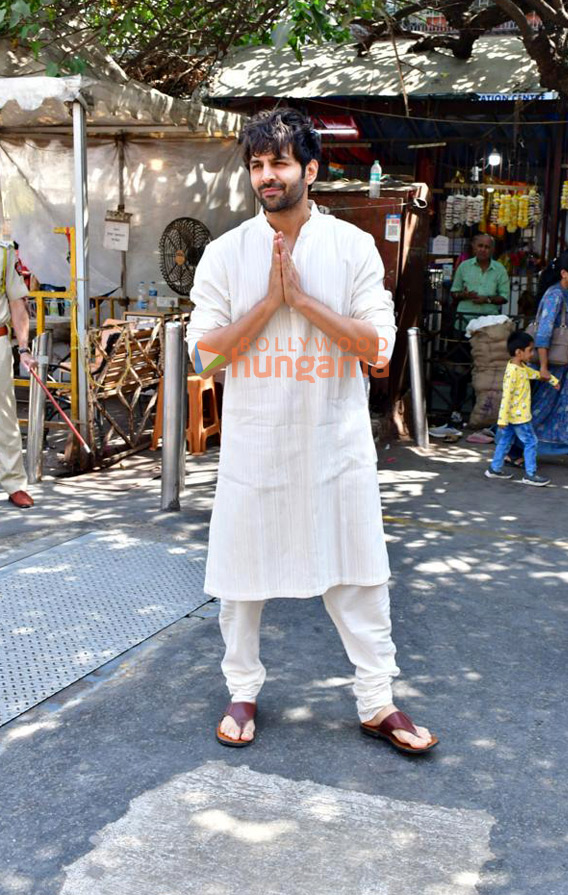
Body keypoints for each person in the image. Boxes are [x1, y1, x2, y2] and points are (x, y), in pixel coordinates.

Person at [186, 107, 437, 755]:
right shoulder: (226, 253)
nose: (266, 176)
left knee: (359, 577)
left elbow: (377, 350)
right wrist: (268, 303)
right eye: (257, 164)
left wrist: (303, 301)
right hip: (255, 446)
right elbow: (204, 358)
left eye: (279, 162)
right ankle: (241, 690)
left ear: (310, 169)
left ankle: (376, 701)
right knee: (241, 581)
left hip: (333, 444)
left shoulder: (350, 247)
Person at [507, 250, 568, 470]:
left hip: (559, 369)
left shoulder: (563, 295)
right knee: (542, 409)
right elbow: (543, 333)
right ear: (563, 273)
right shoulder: (554, 296)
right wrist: (543, 367)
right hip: (550, 368)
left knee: (561, 408)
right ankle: (514, 451)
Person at [447, 234, 510, 423]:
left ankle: (480, 412)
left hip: (488, 329)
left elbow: (504, 296)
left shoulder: (499, 269)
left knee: (485, 370)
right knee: (460, 369)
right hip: (463, 323)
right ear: (473, 247)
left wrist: (487, 299)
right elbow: (454, 292)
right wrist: (465, 294)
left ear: (492, 250)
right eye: (480, 246)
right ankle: (456, 410)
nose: (483, 249)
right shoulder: (464, 267)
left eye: (487, 247)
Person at [485, 331, 559, 487]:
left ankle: (495, 469)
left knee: (505, 441)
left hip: (513, 416)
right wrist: (502, 419)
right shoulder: (513, 372)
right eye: (530, 350)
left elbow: (534, 374)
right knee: (531, 441)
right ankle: (530, 474)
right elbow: (506, 397)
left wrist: (552, 380)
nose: (532, 354)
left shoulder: (520, 367)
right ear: (519, 352)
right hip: (518, 417)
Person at [0, 241, 37, 508]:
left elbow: (16, 302)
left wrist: (23, 348)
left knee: (4, 415)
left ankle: (14, 483)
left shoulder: (3, 253)